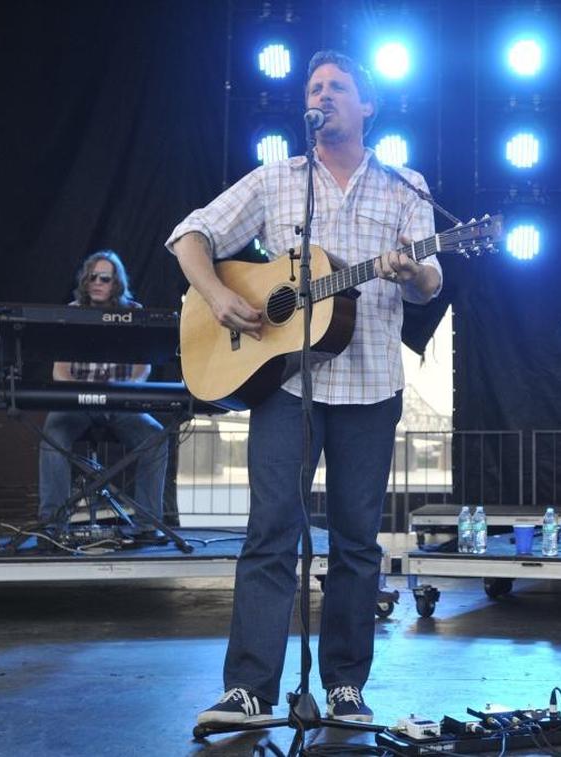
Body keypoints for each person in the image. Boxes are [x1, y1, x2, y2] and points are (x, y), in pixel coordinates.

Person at [167, 50, 442, 726]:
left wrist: (414, 274)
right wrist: (219, 297)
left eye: (337, 87)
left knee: (355, 543)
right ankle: (250, 689)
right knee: (270, 533)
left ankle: (345, 686)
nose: (323, 96)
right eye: (314, 88)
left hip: (371, 386)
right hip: (289, 388)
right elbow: (188, 235)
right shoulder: (277, 179)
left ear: (367, 106)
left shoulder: (407, 185)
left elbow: (435, 281)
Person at [37, 250, 168, 538]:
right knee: (52, 433)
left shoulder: (134, 312)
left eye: (104, 278)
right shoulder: (70, 312)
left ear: (116, 283)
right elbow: (60, 371)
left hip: (121, 402)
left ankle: (148, 524)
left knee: (156, 437)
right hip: (78, 402)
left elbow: (141, 369)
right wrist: (82, 394)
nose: (96, 282)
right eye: (92, 277)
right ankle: (52, 526)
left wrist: (120, 394)